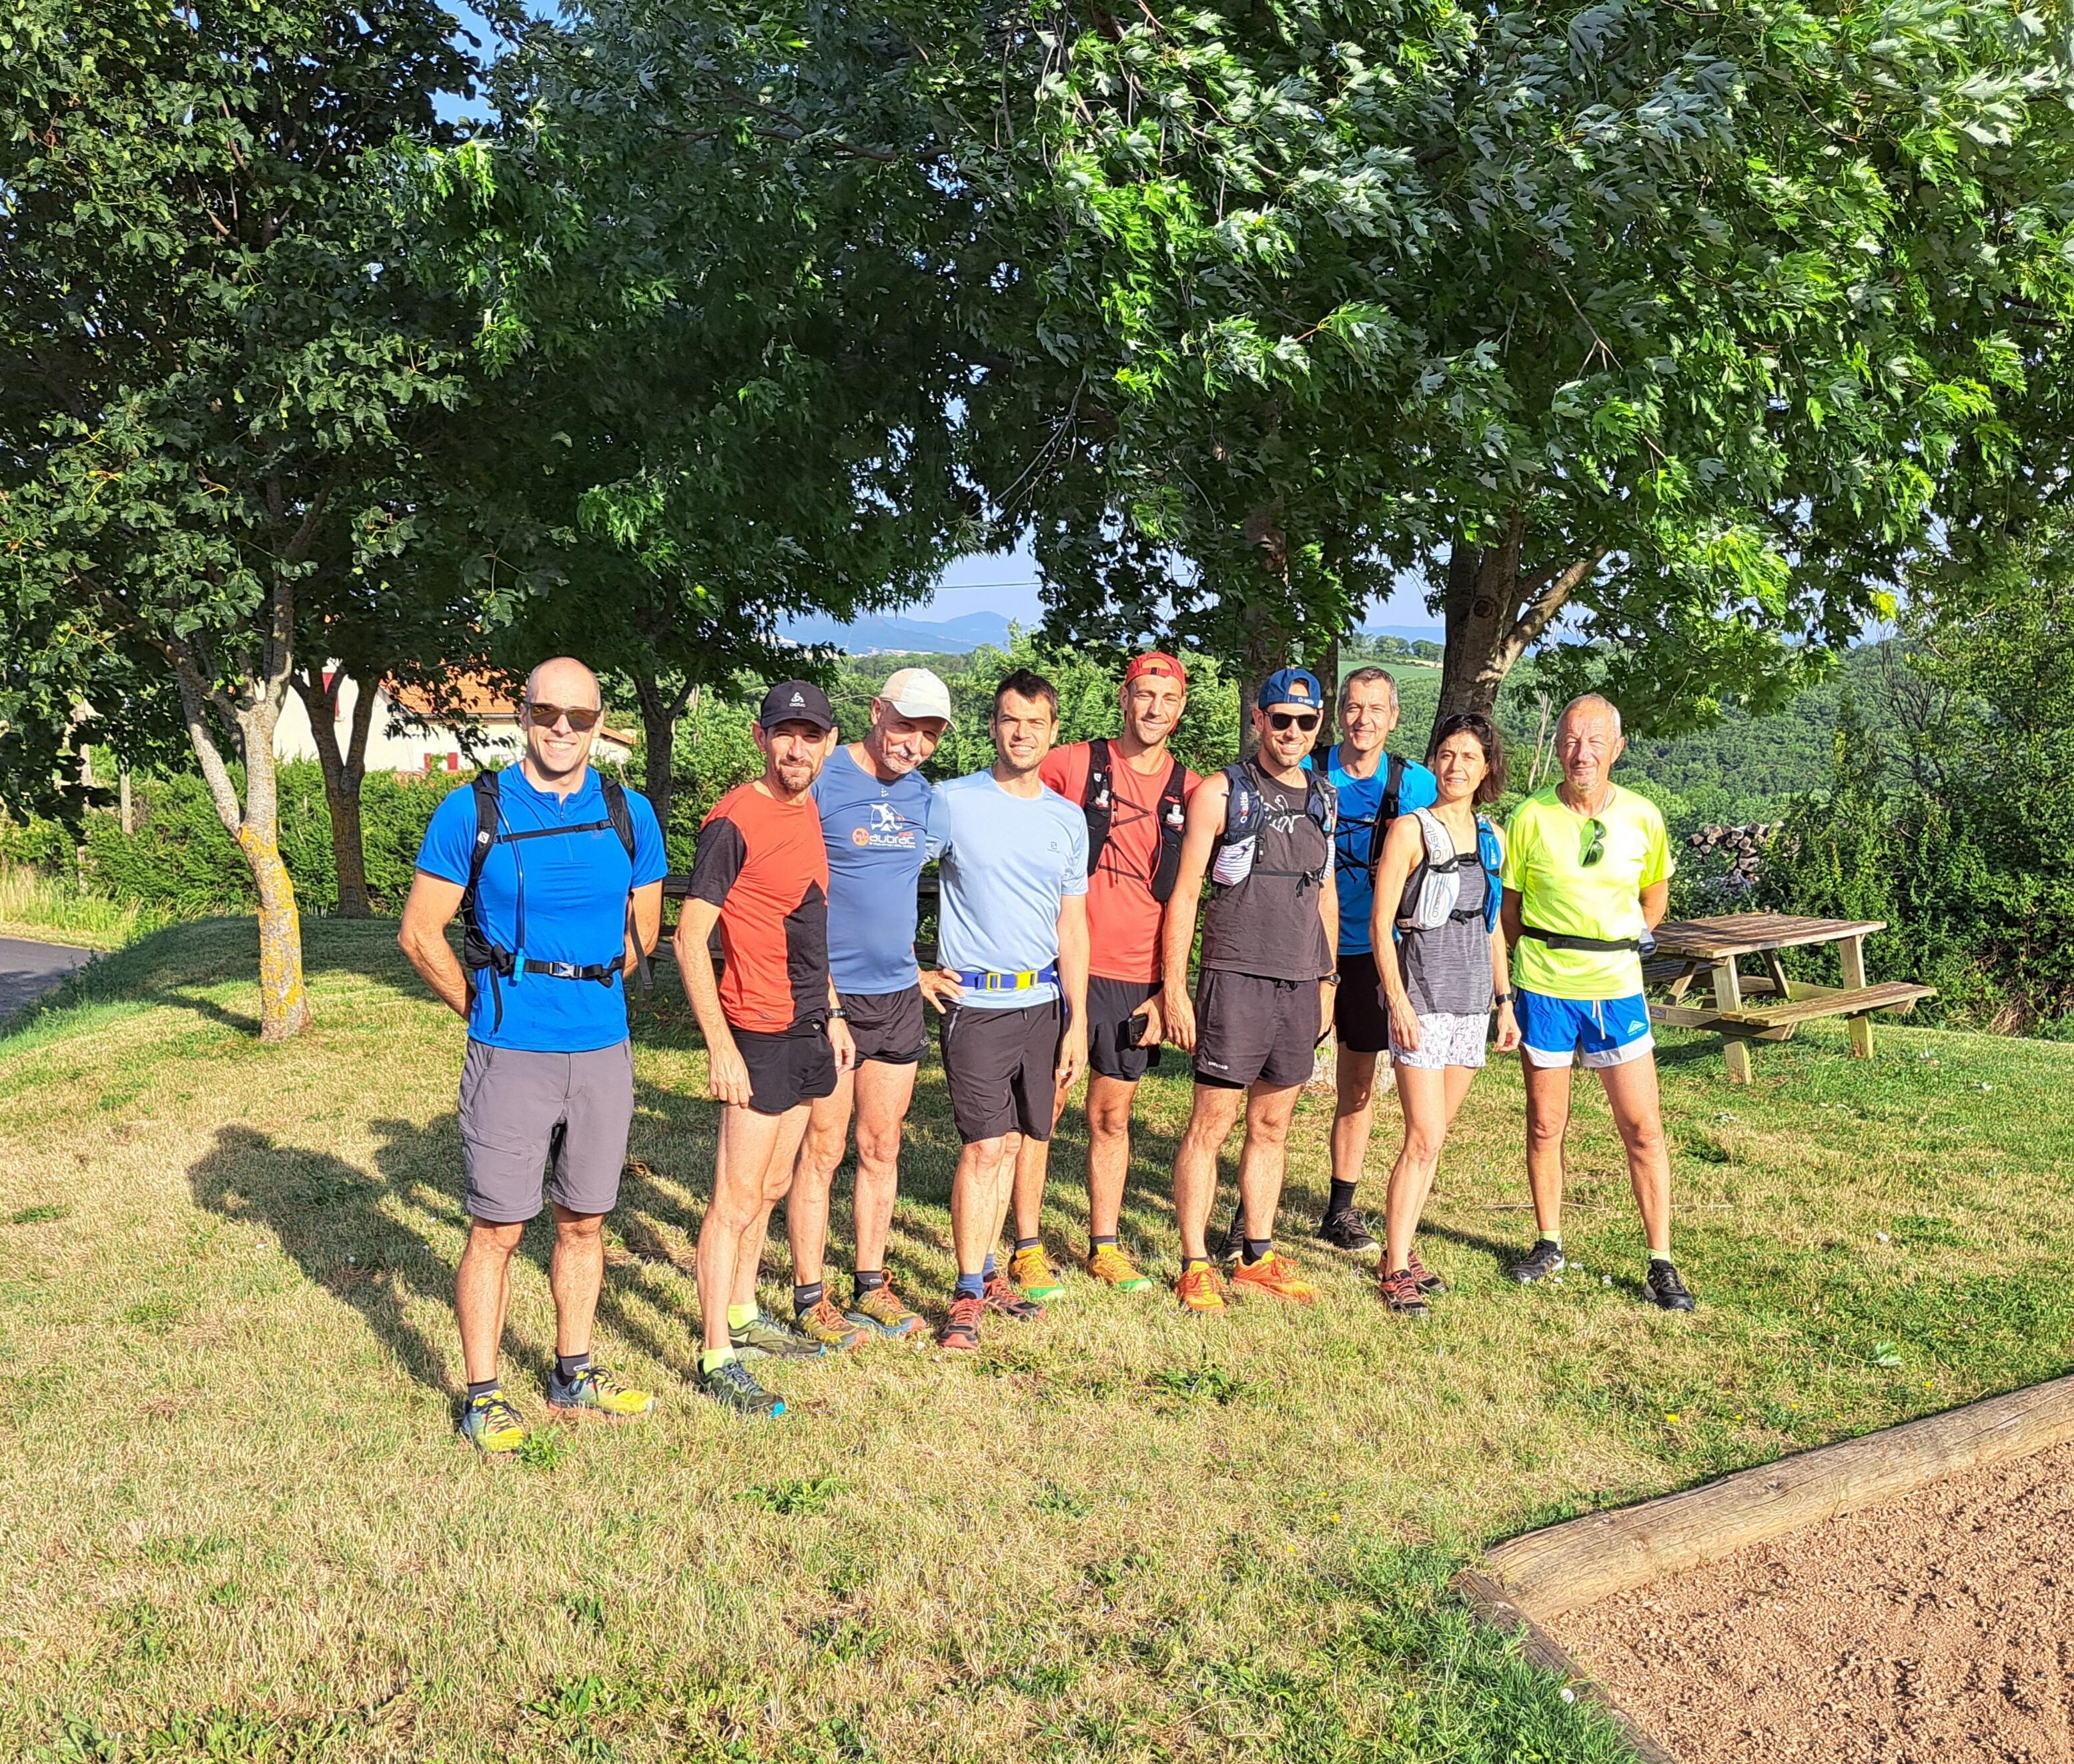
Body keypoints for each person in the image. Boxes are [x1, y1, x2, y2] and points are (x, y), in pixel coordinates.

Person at [398, 657, 667, 1455]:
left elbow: (645, 930)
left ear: (598, 723)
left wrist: (589, 987)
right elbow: (419, 932)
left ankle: (572, 1371)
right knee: (497, 1228)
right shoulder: (472, 809)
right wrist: (484, 1006)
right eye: (547, 712)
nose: (562, 728)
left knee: (584, 1220)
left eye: (578, 716)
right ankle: (482, 1394)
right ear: (523, 714)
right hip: (511, 1054)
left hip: (603, 1049)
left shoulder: (629, 812)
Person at [674, 680, 859, 1418]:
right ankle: (716, 1352)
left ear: (829, 744)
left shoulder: (806, 806)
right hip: (755, 1028)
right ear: (761, 737)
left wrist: (834, 1010)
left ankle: (745, 1311)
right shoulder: (733, 820)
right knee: (734, 1199)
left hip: (809, 1024)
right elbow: (689, 938)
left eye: (810, 736)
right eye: (784, 733)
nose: (796, 748)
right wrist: (720, 1045)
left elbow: (808, 919)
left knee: (775, 1185)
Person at [1000, 651, 1200, 1300]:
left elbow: (1190, 895)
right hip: (1061, 966)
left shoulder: (1191, 789)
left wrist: (1168, 986)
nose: (1153, 709)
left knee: (1112, 1116)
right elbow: (1009, 795)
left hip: (1135, 976)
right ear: (1124, 697)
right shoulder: (1074, 763)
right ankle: (1027, 1247)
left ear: (1180, 708)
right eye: (1143, 695)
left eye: (1166, 699)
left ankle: (1104, 1246)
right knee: (1044, 1107)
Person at [1500, 694, 1695, 1311]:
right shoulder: (1529, 816)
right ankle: (1548, 1241)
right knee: (1544, 1122)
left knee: (1642, 1127)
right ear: (1557, 746)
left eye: (1593, 741)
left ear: (1617, 748)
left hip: (1615, 988)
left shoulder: (1642, 816)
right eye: (1569, 739)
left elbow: (1654, 898)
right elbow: (1509, 909)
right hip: (1545, 986)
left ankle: (1660, 1259)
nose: (1580, 753)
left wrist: (1616, 941)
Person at [782, 668, 953, 1343]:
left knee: (882, 1145)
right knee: (823, 1148)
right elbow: (792, 888)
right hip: (832, 994)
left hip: (897, 996)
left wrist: (915, 969)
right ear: (877, 710)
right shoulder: (824, 779)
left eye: (930, 734)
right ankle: (809, 1295)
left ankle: (871, 1284)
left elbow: (894, 892)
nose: (915, 744)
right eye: (906, 725)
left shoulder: (924, 798)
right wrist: (821, 994)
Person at [923, 668, 1090, 1351]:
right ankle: (966, 1291)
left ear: (1053, 732)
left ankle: (990, 1272)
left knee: (1019, 1142)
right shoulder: (950, 802)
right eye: (1010, 720)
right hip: (976, 1002)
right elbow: (887, 879)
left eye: (1034, 722)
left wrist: (1077, 1019)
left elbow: (1072, 926)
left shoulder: (1066, 818)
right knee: (985, 1146)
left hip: (1042, 1002)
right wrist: (908, 967)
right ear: (992, 726)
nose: (1021, 733)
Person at [1163, 668, 1340, 1312]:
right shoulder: (1221, 791)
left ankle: (1256, 1256)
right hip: (1234, 976)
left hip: (1299, 982)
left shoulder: (1324, 797)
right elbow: (1185, 893)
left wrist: (1328, 980)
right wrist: (1174, 987)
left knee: (1272, 1124)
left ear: (1317, 726)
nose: (1292, 731)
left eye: (1305, 721)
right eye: (1280, 718)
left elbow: (1325, 893)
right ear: (1259, 719)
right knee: (1211, 1123)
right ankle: (1194, 1262)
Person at [1368, 712, 1518, 1316]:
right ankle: (1394, 1268)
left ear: (1487, 769)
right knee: (1423, 1137)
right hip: (1423, 1000)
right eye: (1447, 754)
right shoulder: (1410, 830)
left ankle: (1398, 1248)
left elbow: (1492, 928)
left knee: (1435, 1140)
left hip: (1470, 1004)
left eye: (1468, 756)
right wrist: (1397, 999)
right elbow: (1380, 924)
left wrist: (1503, 1002)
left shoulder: (1491, 836)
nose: (1455, 766)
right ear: (1434, 761)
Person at [1309, 667, 1438, 1256]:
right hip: (1302, 944)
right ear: (1339, 713)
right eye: (1353, 707)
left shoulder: (1412, 784)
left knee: (1357, 1082)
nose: (1363, 720)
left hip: (1369, 948)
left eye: (1375, 709)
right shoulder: (1309, 768)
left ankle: (1340, 1208)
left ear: (1394, 717)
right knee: (1274, 1082)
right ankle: (1246, 1211)